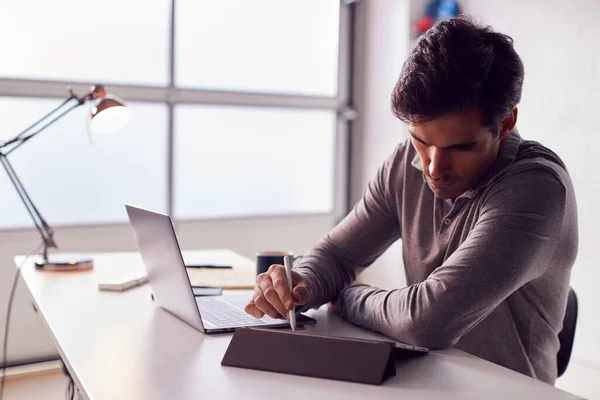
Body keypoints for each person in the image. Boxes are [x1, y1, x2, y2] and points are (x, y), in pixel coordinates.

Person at [245, 16, 578, 385]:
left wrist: (348, 295)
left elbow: (427, 322)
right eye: (422, 140)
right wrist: (300, 284)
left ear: (505, 123)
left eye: (459, 147)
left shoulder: (536, 188)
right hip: (423, 380)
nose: (433, 167)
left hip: (506, 391)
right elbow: (339, 255)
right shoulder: (407, 161)